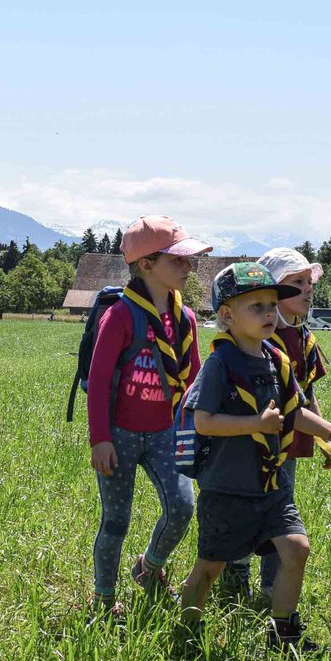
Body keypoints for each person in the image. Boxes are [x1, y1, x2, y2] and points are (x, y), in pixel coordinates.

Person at [176, 262, 331, 655]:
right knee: (209, 568)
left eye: (272, 305)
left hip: (270, 486)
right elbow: (203, 422)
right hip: (227, 488)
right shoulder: (221, 364)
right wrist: (257, 422)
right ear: (227, 316)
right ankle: (186, 632)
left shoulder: (277, 360)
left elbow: (295, 413)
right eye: (257, 307)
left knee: (296, 548)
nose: (270, 313)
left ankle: (283, 634)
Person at [85, 215, 211, 616]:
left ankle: (148, 568)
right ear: (146, 265)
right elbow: (100, 380)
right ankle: (104, 599)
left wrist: (197, 430)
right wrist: (99, 439)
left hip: (165, 433)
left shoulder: (186, 318)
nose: (188, 267)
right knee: (116, 521)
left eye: (188, 260)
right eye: (177, 260)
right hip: (119, 435)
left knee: (182, 508)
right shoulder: (121, 315)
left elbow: (192, 381)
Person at [222, 247, 331, 601]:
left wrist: (321, 438)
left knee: (279, 514)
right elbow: (282, 406)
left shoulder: (304, 336)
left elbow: (306, 394)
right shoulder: (258, 340)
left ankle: (272, 588)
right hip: (252, 444)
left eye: (309, 282)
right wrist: (326, 428)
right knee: (248, 510)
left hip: (289, 445)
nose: (307, 289)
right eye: (296, 283)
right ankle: (235, 575)